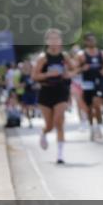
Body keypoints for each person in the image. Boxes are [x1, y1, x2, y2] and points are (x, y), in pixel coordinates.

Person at [31, 29, 76, 163]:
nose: (54, 42)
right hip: (46, 92)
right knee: (50, 125)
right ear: (47, 42)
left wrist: (68, 74)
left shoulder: (64, 56)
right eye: (52, 39)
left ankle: (60, 155)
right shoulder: (43, 58)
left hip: (61, 91)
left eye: (57, 39)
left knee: (59, 121)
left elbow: (74, 69)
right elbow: (34, 76)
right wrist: (48, 75)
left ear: (61, 41)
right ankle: (44, 133)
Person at [76, 33, 103, 140]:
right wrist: (82, 69)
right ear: (85, 42)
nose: (92, 42)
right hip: (87, 83)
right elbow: (75, 70)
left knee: (97, 105)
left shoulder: (101, 53)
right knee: (89, 108)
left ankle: (99, 127)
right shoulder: (81, 55)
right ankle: (91, 128)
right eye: (89, 40)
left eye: (93, 40)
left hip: (99, 82)